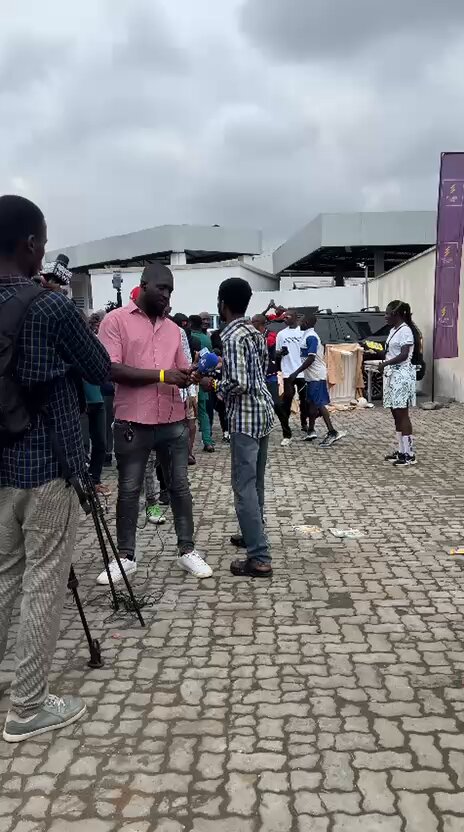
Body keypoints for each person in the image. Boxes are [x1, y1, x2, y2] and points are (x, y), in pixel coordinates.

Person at [0, 194, 111, 742]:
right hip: (47, 465)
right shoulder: (49, 306)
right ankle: (27, 707)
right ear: (29, 244)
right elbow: (100, 369)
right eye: (41, 240)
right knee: (45, 578)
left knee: (4, 575)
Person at [98, 263, 212, 583]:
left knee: (179, 488)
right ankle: (125, 557)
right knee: (129, 490)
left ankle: (186, 551)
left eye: (171, 290)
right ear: (144, 285)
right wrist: (163, 376)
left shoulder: (174, 330)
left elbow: (180, 371)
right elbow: (112, 369)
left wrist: (195, 376)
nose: (166, 295)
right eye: (162, 288)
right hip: (132, 421)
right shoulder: (115, 321)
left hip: (172, 421)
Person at [201, 278, 274, 578]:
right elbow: (260, 368)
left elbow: (239, 383)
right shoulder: (254, 332)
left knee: (243, 488)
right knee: (255, 484)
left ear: (222, 304)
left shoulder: (231, 336)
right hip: (263, 413)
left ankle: (258, 557)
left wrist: (214, 384)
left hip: (244, 418)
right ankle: (252, 533)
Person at [290, 314, 345, 448]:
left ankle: (332, 432)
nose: (299, 323)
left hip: (316, 376)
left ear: (307, 322)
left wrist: (296, 372)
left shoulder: (311, 337)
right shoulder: (306, 335)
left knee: (319, 403)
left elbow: (311, 358)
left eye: (301, 321)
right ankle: (311, 430)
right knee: (311, 402)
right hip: (311, 376)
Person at [379, 300, 420, 467]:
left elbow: (403, 355)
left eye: (388, 313)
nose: (385, 316)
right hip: (391, 375)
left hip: (401, 376)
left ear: (397, 314)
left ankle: (409, 454)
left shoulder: (406, 331)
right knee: (395, 413)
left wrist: (385, 364)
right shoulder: (393, 330)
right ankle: (401, 450)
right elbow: (390, 351)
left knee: (402, 413)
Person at [252, 313, 291, 443]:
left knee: (276, 403)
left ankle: (287, 434)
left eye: (254, 322)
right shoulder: (252, 336)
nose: (252, 324)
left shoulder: (271, 334)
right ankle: (259, 431)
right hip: (256, 376)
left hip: (270, 375)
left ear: (260, 323)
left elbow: (268, 344)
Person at [276, 308, 308, 442]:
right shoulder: (281, 334)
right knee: (287, 399)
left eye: (288, 317)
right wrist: (281, 354)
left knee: (305, 400)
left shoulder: (304, 332)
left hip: (302, 371)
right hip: (288, 372)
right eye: (284, 317)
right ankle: (286, 427)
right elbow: (276, 353)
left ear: (295, 317)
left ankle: (304, 424)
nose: (285, 319)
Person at [189, 314, 215, 452]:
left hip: (186, 379)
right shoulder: (206, 339)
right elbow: (212, 359)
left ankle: (187, 448)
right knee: (203, 412)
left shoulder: (184, 336)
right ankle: (208, 441)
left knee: (187, 414)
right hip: (201, 378)